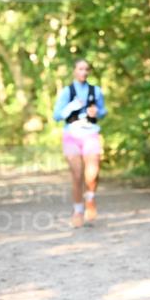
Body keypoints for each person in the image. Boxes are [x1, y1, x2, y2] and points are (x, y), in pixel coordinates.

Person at [53, 59, 107, 228]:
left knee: (92, 174)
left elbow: (103, 111)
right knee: (77, 175)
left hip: (91, 133)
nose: (83, 72)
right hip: (72, 135)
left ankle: (90, 198)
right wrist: (72, 106)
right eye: (80, 69)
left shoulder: (95, 91)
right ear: (74, 71)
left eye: (86, 69)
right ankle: (78, 210)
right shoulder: (66, 92)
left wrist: (97, 112)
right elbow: (56, 116)